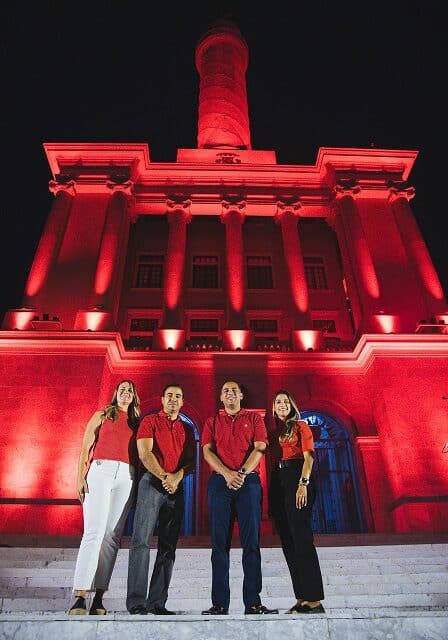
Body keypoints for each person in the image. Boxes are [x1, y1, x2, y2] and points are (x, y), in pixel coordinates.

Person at [201, 380, 278, 615]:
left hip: (249, 482)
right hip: (219, 483)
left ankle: (253, 602)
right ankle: (219, 604)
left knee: (251, 544)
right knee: (219, 545)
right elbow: (206, 451)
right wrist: (226, 474)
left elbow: (260, 448)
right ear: (221, 398)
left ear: (241, 395)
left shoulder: (254, 419)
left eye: (235, 389)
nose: (230, 393)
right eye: (225, 390)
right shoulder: (212, 421)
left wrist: (241, 474)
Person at [69, 379, 141, 615]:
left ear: (133, 396)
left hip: (127, 476)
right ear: (116, 394)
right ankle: (80, 596)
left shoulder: (136, 422)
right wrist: (80, 476)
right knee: (94, 532)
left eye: (129, 390)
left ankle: (99, 596)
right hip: (101, 471)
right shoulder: (102, 415)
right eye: (122, 389)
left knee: (112, 536)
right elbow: (85, 446)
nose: (125, 393)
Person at [126, 383, 195, 615]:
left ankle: (157, 602)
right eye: (169, 396)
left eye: (178, 396)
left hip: (176, 487)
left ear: (182, 402)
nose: (173, 399)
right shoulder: (150, 421)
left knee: (168, 545)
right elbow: (145, 453)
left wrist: (176, 478)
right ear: (162, 399)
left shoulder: (186, 429)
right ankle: (137, 601)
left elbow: (190, 463)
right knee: (141, 541)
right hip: (151, 484)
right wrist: (166, 476)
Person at [269, 389, 325, 614]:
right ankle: (301, 597)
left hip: (297, 477)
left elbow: (309, 456)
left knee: (301, 538)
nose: (282, 404)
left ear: (291, 405)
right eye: (278, 402)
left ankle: (315, 600)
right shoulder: (275, 431)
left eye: (285, 401)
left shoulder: (301, 426)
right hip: (280, 481)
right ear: (274, 407)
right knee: (288, 541)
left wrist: (303, 483)